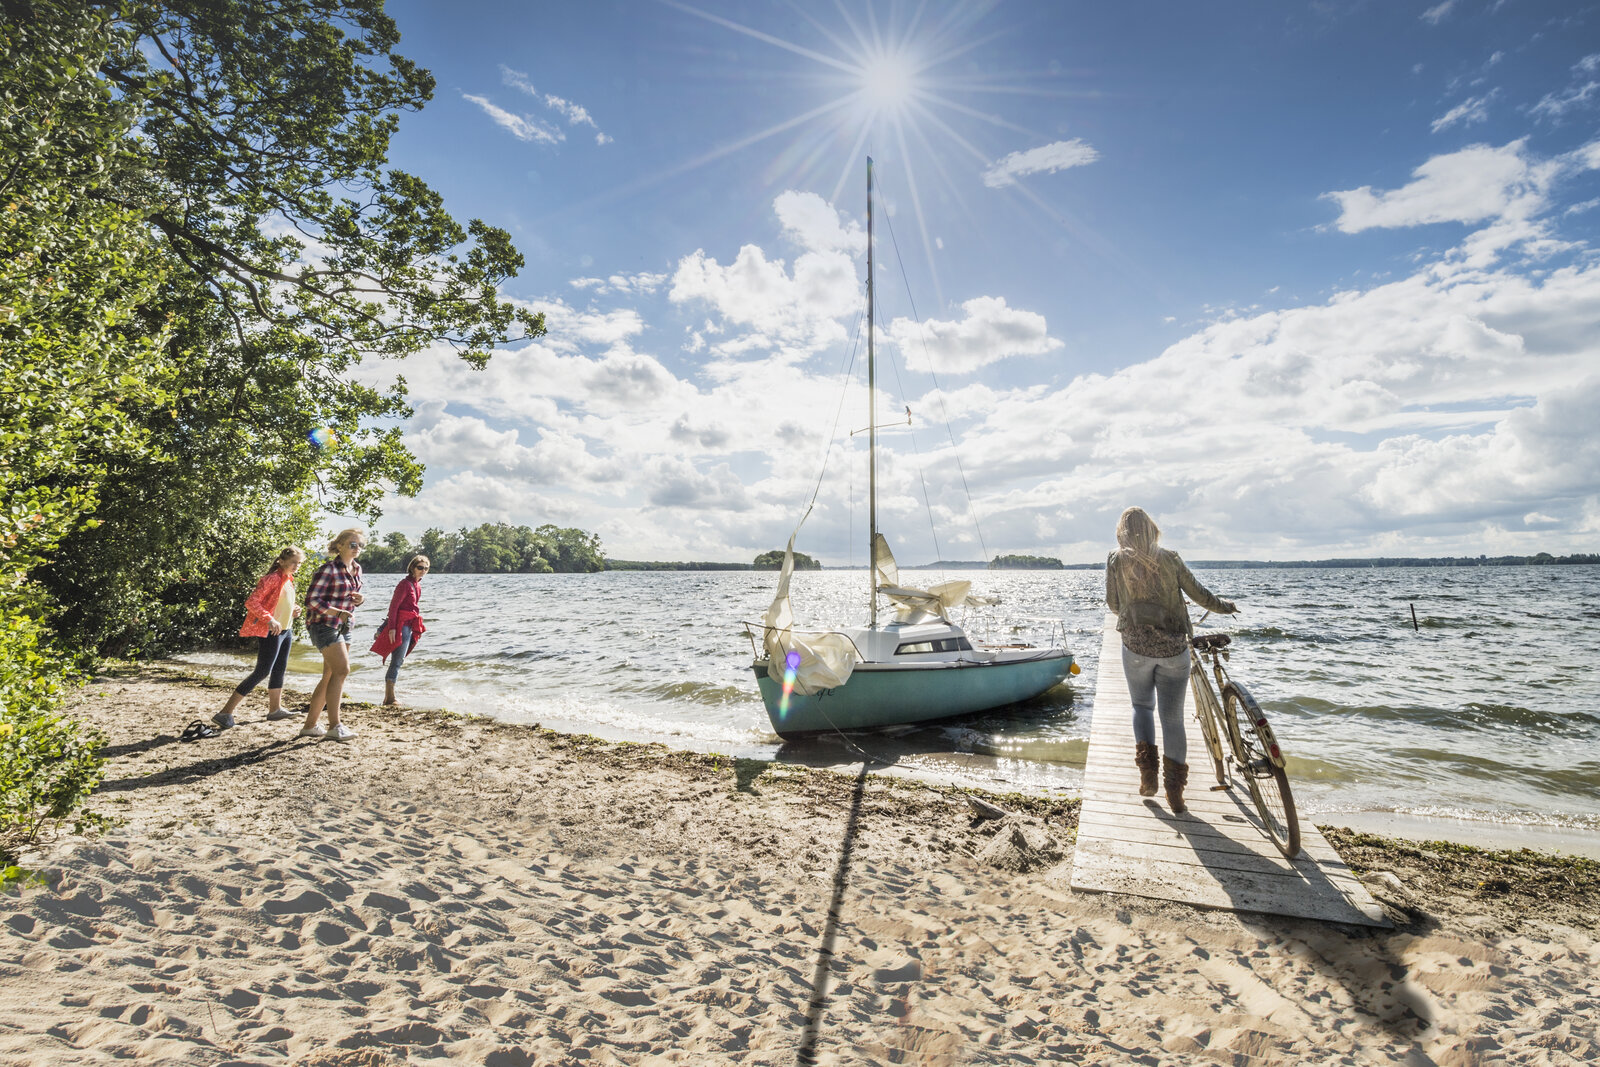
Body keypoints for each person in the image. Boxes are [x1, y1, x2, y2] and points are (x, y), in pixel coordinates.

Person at [1105, 506, 1237, 814]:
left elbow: (1113, 605)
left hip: (1135, 647)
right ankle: (1175, 793)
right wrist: (1226, 606)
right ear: (1152, 530)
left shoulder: (1116, 560)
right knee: (1173, 720)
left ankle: (1147, 777)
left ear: (1122, 532)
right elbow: (1201, 595)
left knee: (1141, 707)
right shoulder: (1171, 558)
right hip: (1173, 649)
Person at [212, 546, 305, 729]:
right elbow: (252, 602)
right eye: (293, 562)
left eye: (299, 563)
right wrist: (269, 619)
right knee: (262, 671)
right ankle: (225, 713)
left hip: (286, 630)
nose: (296, 566)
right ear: (282, 561)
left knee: (279, 669)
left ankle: (275, 710)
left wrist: (294, 609)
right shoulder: (271, 579)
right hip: (272, 631)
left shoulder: (288, 580)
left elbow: (280, 602)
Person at [300, 528, 366, 742]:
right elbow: (311, 600)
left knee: (329, 675)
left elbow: (350, 597)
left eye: (360, 545)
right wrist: (337, 612)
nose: (357, 549)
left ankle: (309, 726)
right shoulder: (328, 569)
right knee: (342, 670)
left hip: (345, 626)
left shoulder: (357, 569)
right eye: (352, 544)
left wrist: (359, 600)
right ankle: (335, 725)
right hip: (323, 624)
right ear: (340, 545)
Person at [374, 554, 429, 706]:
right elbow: (393, 607)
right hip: (400, 626)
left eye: (426, 568)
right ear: (412, 567)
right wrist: (391, 628)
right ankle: (389, 698)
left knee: (399, 660)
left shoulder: (417, 585)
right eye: (420, 567)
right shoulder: (404, 584)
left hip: (409, 625)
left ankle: (390, 696)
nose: (423, 571)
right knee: (397, 660)